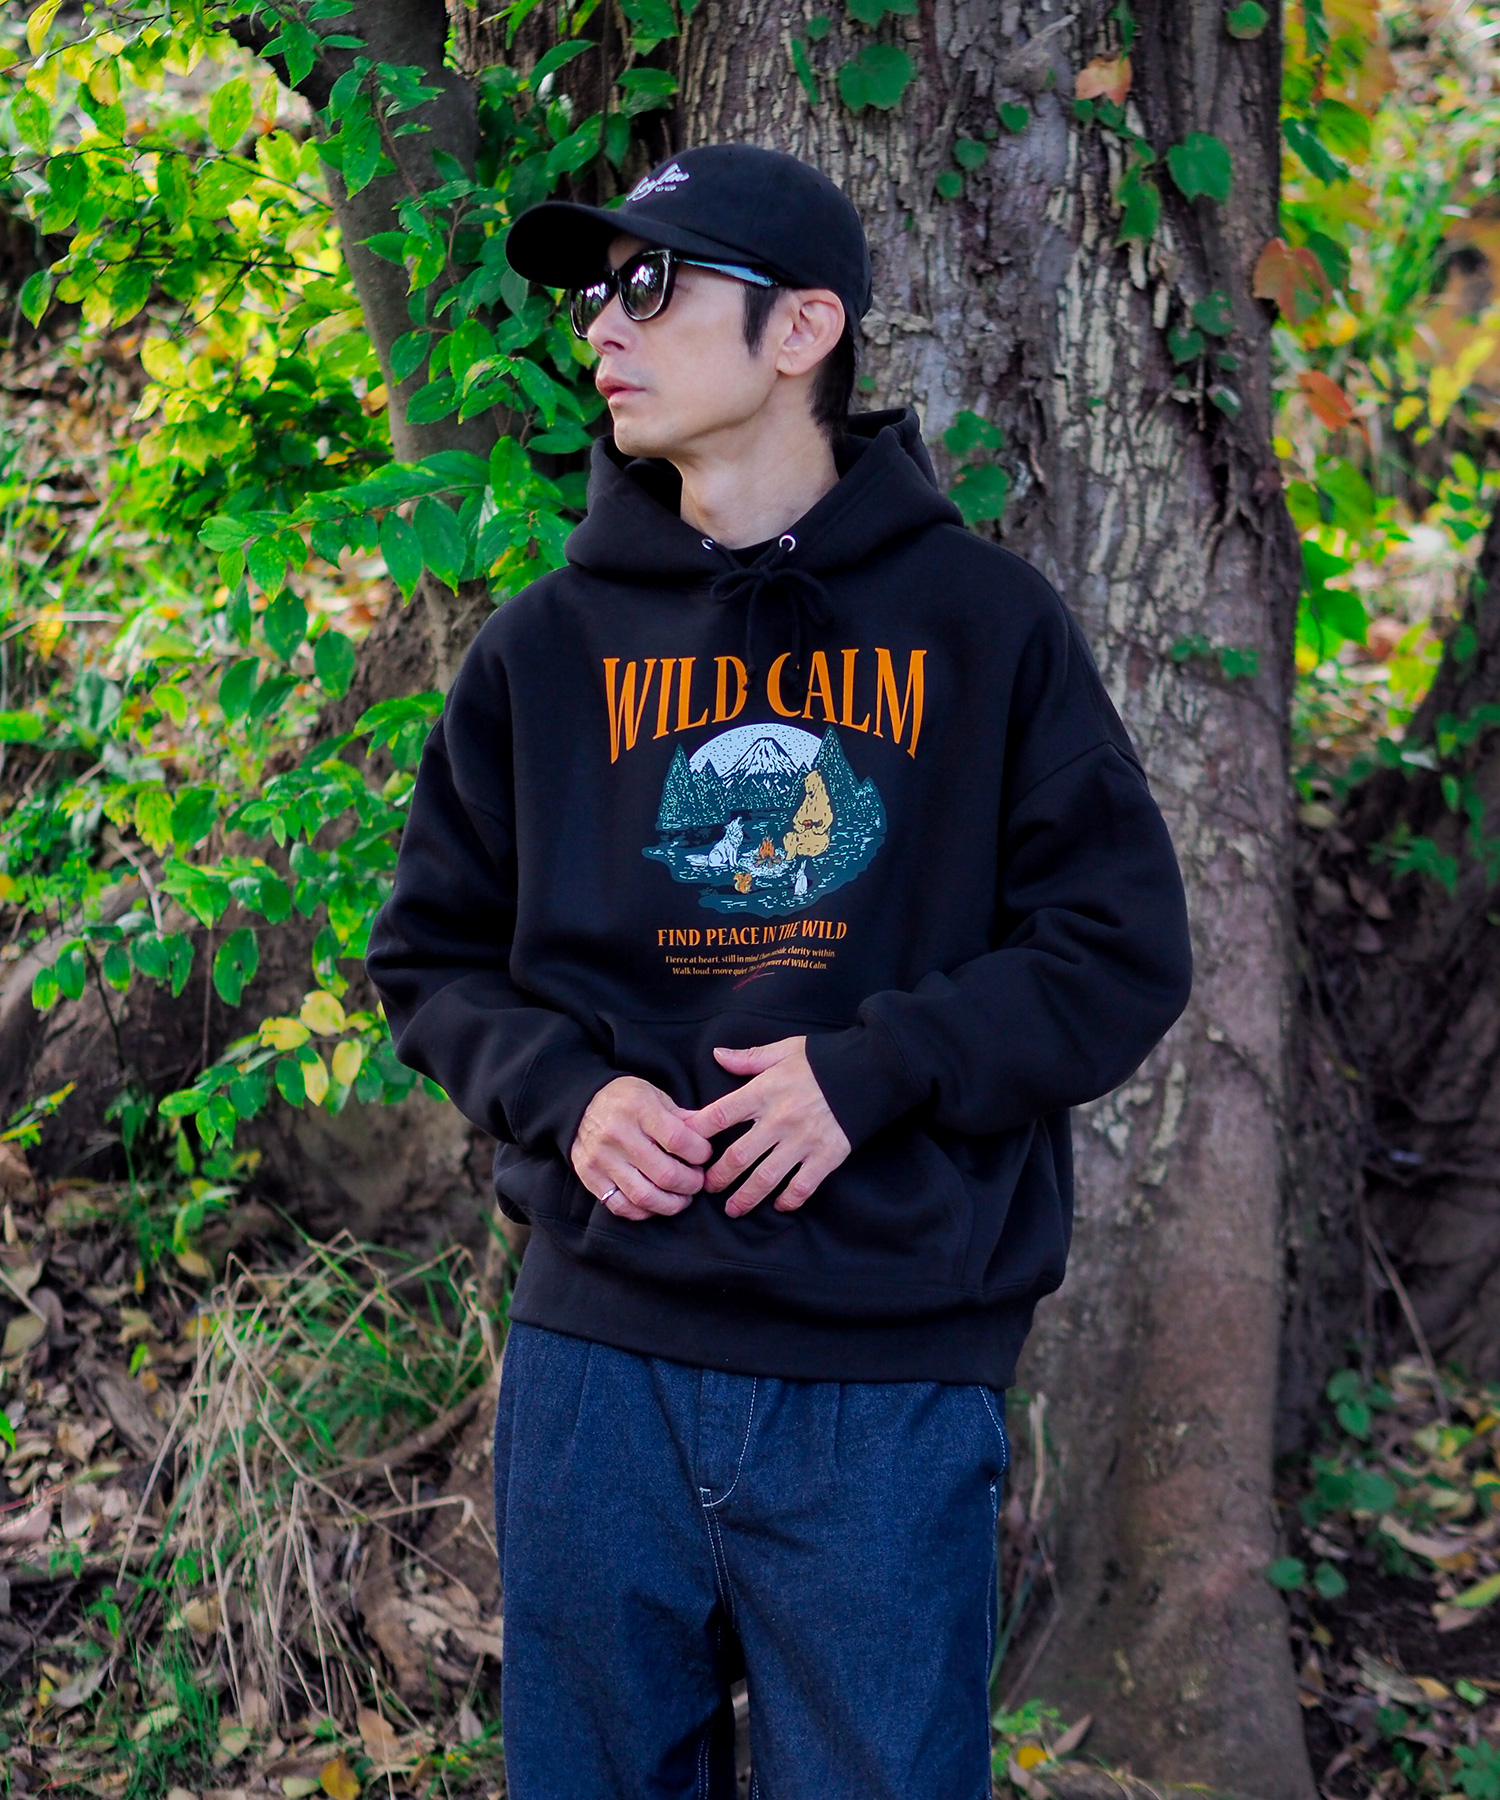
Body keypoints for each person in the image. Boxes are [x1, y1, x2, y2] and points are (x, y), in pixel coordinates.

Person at [366, 143, 1192, 1800]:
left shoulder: (985, 627)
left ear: (803, 327)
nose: (604, 325)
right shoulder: (541, 653)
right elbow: (433, 957)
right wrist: (571, 1097)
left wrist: (875, 1072)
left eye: (652, 284)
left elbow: (1119, 949)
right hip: (601, 1362)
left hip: (883, 1367)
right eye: (596, 294)